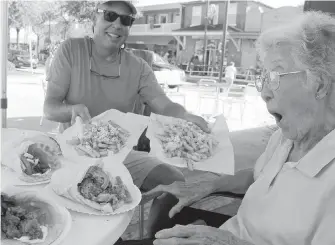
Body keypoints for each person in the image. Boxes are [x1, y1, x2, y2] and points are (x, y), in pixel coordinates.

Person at [122, 11, 335, 245]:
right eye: (263, 77)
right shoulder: (284, 139)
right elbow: (257, 176)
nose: (264, 93)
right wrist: (208, 184)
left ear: (320, 84)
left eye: (275, 75)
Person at [43, 0, 209, 238]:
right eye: (110, 15)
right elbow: (50, 107)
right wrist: (72, 110)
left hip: (120, 156)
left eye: (126, 20)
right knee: (93, 215)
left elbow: (163, 105)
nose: (117, 24)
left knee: (175, 182)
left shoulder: (139, 67)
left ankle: (156, 236)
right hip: (73, 154)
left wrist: (185, 116)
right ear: (95, 20)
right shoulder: (72, 50)